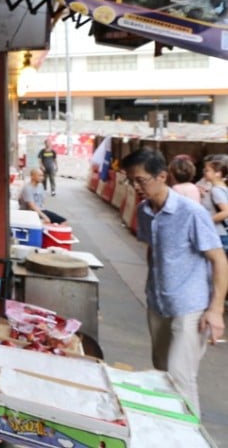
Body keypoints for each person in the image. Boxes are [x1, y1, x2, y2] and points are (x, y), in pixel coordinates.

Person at [122, 148, 228, 417]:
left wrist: (215, 310)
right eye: (131, 180)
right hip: (158, 303)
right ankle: (166, 429)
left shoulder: (191, 213)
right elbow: (152, 249)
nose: (136, 186)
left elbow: (218, 260)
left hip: (190, 306)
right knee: (161, 372)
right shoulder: (145, 211)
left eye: (141, 180)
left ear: (162, 176)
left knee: (180, 377)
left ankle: (189, 435)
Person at [200, 154, 228, 230]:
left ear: (218, 173)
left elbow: (226, 211)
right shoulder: (222, 188)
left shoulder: (216, 190)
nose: (204, 173)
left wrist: (206, 221)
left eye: (207, 171)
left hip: (219, 231)